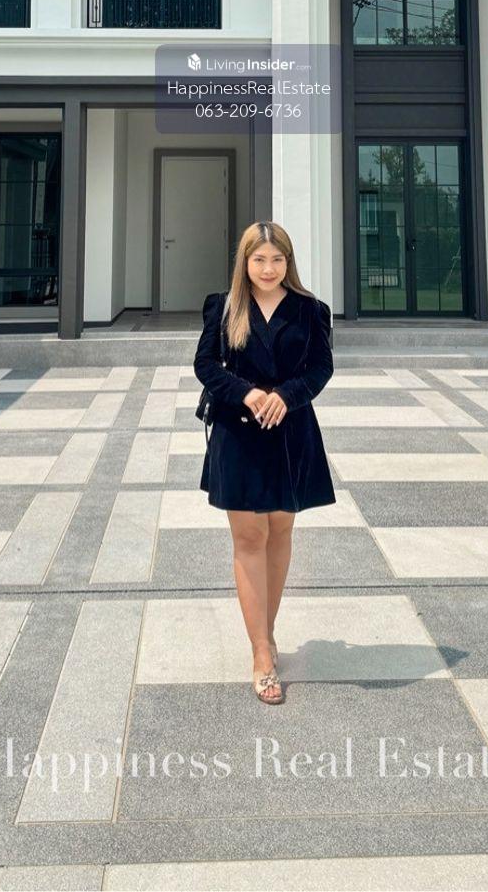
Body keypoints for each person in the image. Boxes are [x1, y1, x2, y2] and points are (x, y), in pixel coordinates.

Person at [193, 220, 335, 705]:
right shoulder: (224, 306)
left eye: (277, 260)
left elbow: (321, 368)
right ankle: (260, 653)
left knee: (279, 532)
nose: (269, 269)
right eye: (259, 260)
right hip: (240, 434)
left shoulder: (311, 310)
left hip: (291, 433)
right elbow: (205, 365)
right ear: (245, 262)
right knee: (249, 538)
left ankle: (267, 633)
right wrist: (247, 393)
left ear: (287, 262)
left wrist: (286, 396)